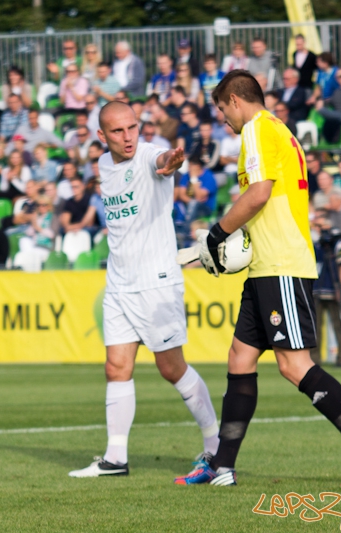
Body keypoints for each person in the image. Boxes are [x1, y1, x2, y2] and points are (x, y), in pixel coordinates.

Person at [182, 71, 341, 487]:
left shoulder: (257, 129)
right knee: (239, 359)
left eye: (223, 111)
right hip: (265, 266)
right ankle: (222, 465)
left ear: (236, 101)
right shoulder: (280, 130)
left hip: (282, 265)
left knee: (294, 366)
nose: (224, 121)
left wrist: (217, 233)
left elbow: (259, 193)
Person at [69, 100, 219, 479]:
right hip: (119, 283)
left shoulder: (150, 154)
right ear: (102, 136)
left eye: (132, 127)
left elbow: (162, 161)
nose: (128, 136)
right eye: (118, 131)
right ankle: (115, 458)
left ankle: (215, 446)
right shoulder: (104, 165)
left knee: (171, 368)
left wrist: (172, 161)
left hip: (156, 283)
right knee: (116, 367)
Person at [310, 213, 341, 366]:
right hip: (317, 288)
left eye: (320, 226)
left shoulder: (337, 242)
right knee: (316, 327)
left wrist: (340, 285)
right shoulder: (316, 242)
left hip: (332, 287)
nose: (318, 229)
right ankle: (315, 358)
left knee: (338, 325)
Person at [175, 155, 218, 226]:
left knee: (193, 204)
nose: (189, 168)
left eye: (191, 165)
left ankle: (186, 230)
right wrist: (190, 202)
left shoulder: (209, 177)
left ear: (198, 166)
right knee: (177, 205)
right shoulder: (186, 176)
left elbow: (199, 196)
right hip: (187, 204)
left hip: (205, 208)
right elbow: (181, 194)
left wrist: (194, 179)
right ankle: (177, 227)